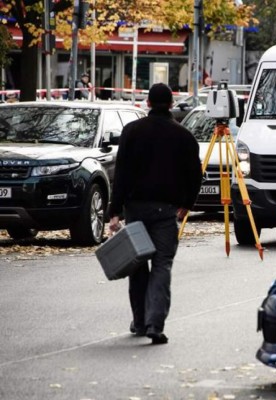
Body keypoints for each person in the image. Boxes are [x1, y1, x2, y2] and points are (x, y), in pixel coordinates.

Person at [108, 83, 202, 345]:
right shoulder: (183, 136)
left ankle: (139, 322)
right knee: (162, 265)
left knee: (138, 266)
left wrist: (114, 212)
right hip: (165, 212)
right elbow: (195, 174)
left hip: (135, 209)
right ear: (172, 104)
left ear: (147, 103)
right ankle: (155, 324)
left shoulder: (132, 132)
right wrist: (187, 204)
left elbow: (121, 174)